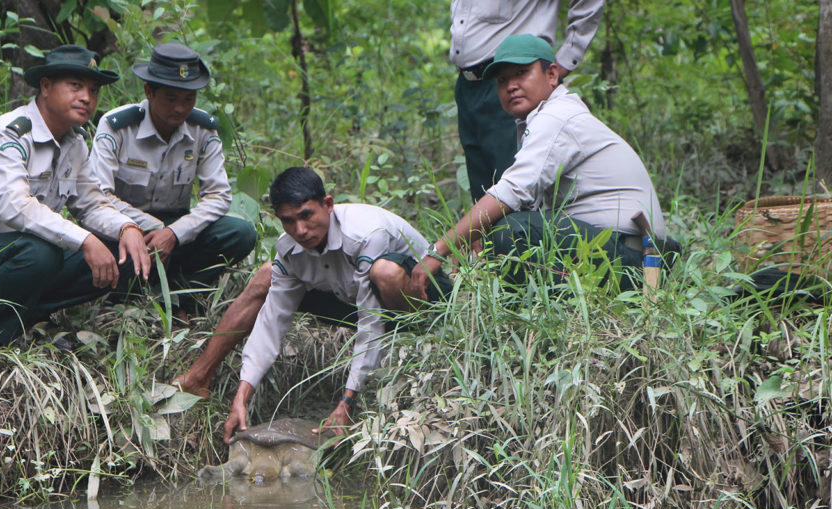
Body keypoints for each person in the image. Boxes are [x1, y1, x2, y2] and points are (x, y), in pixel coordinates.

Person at [174, 167, 450, 441]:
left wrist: (346, 403)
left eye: (306, 215)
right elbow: (271, 324)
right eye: (289, 221)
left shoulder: (365, 234)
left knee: (384, 272)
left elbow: (371, 321)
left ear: (328, 204)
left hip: (424, 301)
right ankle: (199, 379)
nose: (301, 230)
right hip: (353, 299)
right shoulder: (290, 249)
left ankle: (413, 346)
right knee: (267, 275)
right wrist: (242, 395)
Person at [412, 34, 667, 294]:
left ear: (552, 74)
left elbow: (512, 191)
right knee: (501, 234)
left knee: (511, 232)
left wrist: (439, 250)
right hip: (621, 252)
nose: (511, 85)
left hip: (636, 260)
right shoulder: (544, 118)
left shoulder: (557, 116)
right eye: (502, 80)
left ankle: (530, 318)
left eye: (522, 73)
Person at [0, 45, 152, 347]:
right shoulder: (7, 135)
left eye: (93, 89)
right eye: (75, 85)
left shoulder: (74, 144)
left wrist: (127, 227)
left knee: (120, 253)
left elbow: (91, 204)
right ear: (46, 86)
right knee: (42, 251)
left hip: (22, 259)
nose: (87, 97)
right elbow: (16, 208)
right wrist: (85, 240)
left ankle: (27, 315)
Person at [90, 43, 257, 318]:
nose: (180, 108)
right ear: (149, 92)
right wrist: (152, 228)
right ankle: (126, 298)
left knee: (240, 234)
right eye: (170, 98)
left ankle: (182, 295)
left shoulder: (203, 129)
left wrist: (175, 233)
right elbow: (100, 194)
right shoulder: (117, 126)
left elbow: (219, 195)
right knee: (111, 260)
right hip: (126, 228)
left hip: (179, 229)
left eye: (189, 98)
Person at [451, 0, 604, 202]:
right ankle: (487, 235)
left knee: (514, 189)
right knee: (482, 187)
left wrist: (568, 58)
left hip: (515, 79)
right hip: (469, 84)